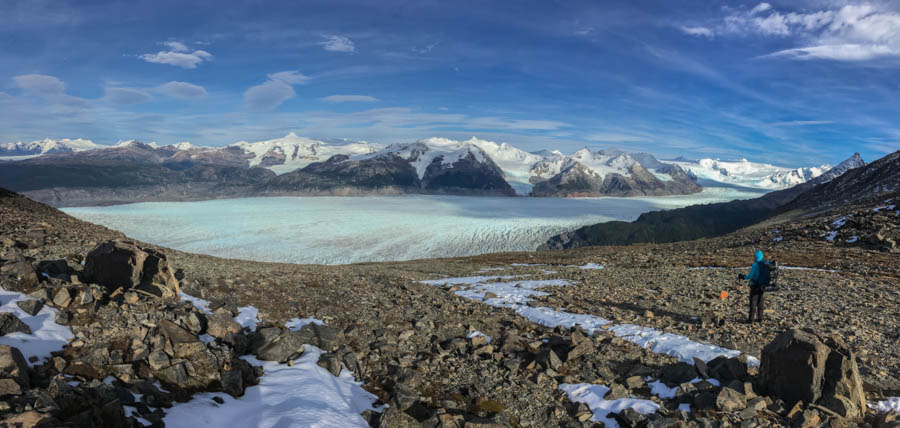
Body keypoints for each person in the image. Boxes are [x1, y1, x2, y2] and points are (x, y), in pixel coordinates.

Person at [738, 250, 770, 323]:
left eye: (754, 256)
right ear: (761, 256)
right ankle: (760, 319)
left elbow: (750, 276)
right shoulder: (765, 264)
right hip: (762, 286)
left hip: (755, 286)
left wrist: (743, 277)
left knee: (753, 303)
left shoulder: (755, 265)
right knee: (760, 302)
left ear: (756, 256)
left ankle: (751, 320)